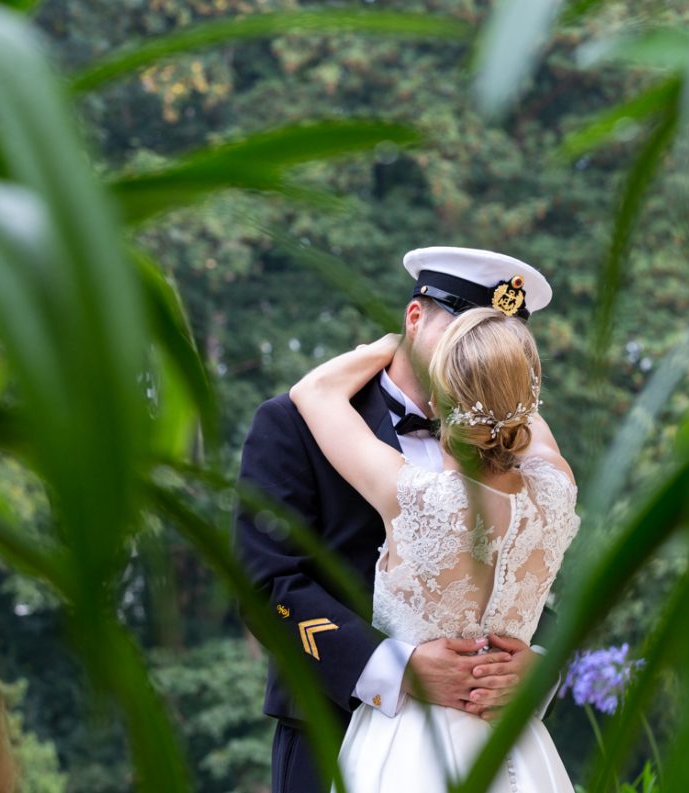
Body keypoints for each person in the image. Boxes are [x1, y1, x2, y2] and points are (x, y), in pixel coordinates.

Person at [233, 247, 563, 793]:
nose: (479, 354)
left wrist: (537, 669)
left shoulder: (518, 452)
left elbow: (534, 582)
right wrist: (395, 669)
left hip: (495, 734)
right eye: (467, 332)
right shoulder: (292, 425)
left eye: (498, 343)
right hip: (332, 728)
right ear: (415, 318)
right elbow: (266, 585)